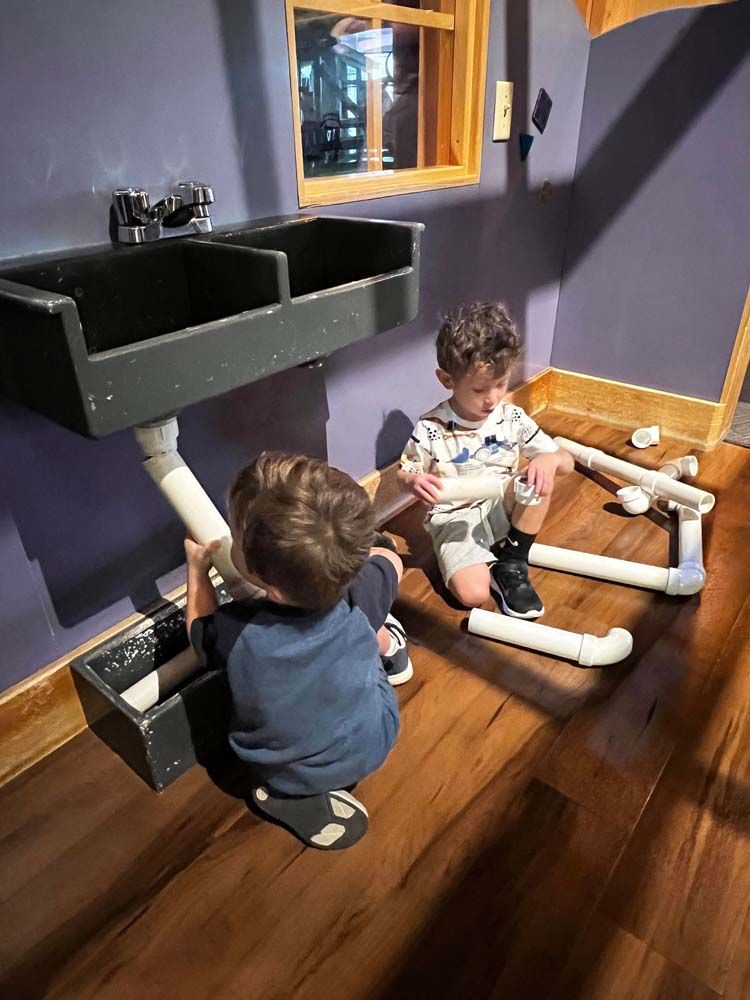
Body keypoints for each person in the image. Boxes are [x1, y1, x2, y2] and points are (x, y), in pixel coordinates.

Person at [185, 452, 411, 850]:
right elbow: (391, 560)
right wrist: (378, 551)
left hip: (289, 774)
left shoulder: (237, 631)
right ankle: (388, 646)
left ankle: (289, 801)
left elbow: (197, 630)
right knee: (368, 626)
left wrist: (197, 570)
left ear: (261, 580)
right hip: (377, 737)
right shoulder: (363, 594)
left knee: (354, 636)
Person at [399, 302, 573, 616]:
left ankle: (512, 563)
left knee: (537, 480)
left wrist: (548, 461)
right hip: (454, 518)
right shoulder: (430, 427)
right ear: (446, 379)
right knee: (472, 595)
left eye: (501, 384)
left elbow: (566, 461)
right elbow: (406, 470)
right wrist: (413, 480)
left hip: (501, 504)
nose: (492, 398)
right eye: (480, 389)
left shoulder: (511, 417)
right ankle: (484, 562)